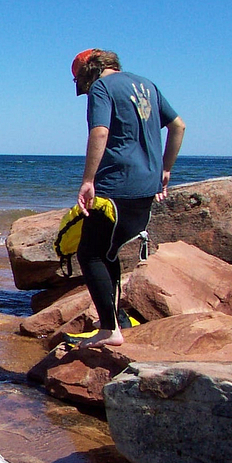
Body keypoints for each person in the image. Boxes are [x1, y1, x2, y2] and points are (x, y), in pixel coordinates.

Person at [71, 48, 186, 347]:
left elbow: (100, 133)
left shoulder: (102, 87)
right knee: (109, 252)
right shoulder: (147, 85)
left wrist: (87, 181)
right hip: (146, 186)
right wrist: (166, 169)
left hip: (116, 184)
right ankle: (115, 319)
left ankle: (110, 330)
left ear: (89, 72)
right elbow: (178, 126)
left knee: (90, 253)